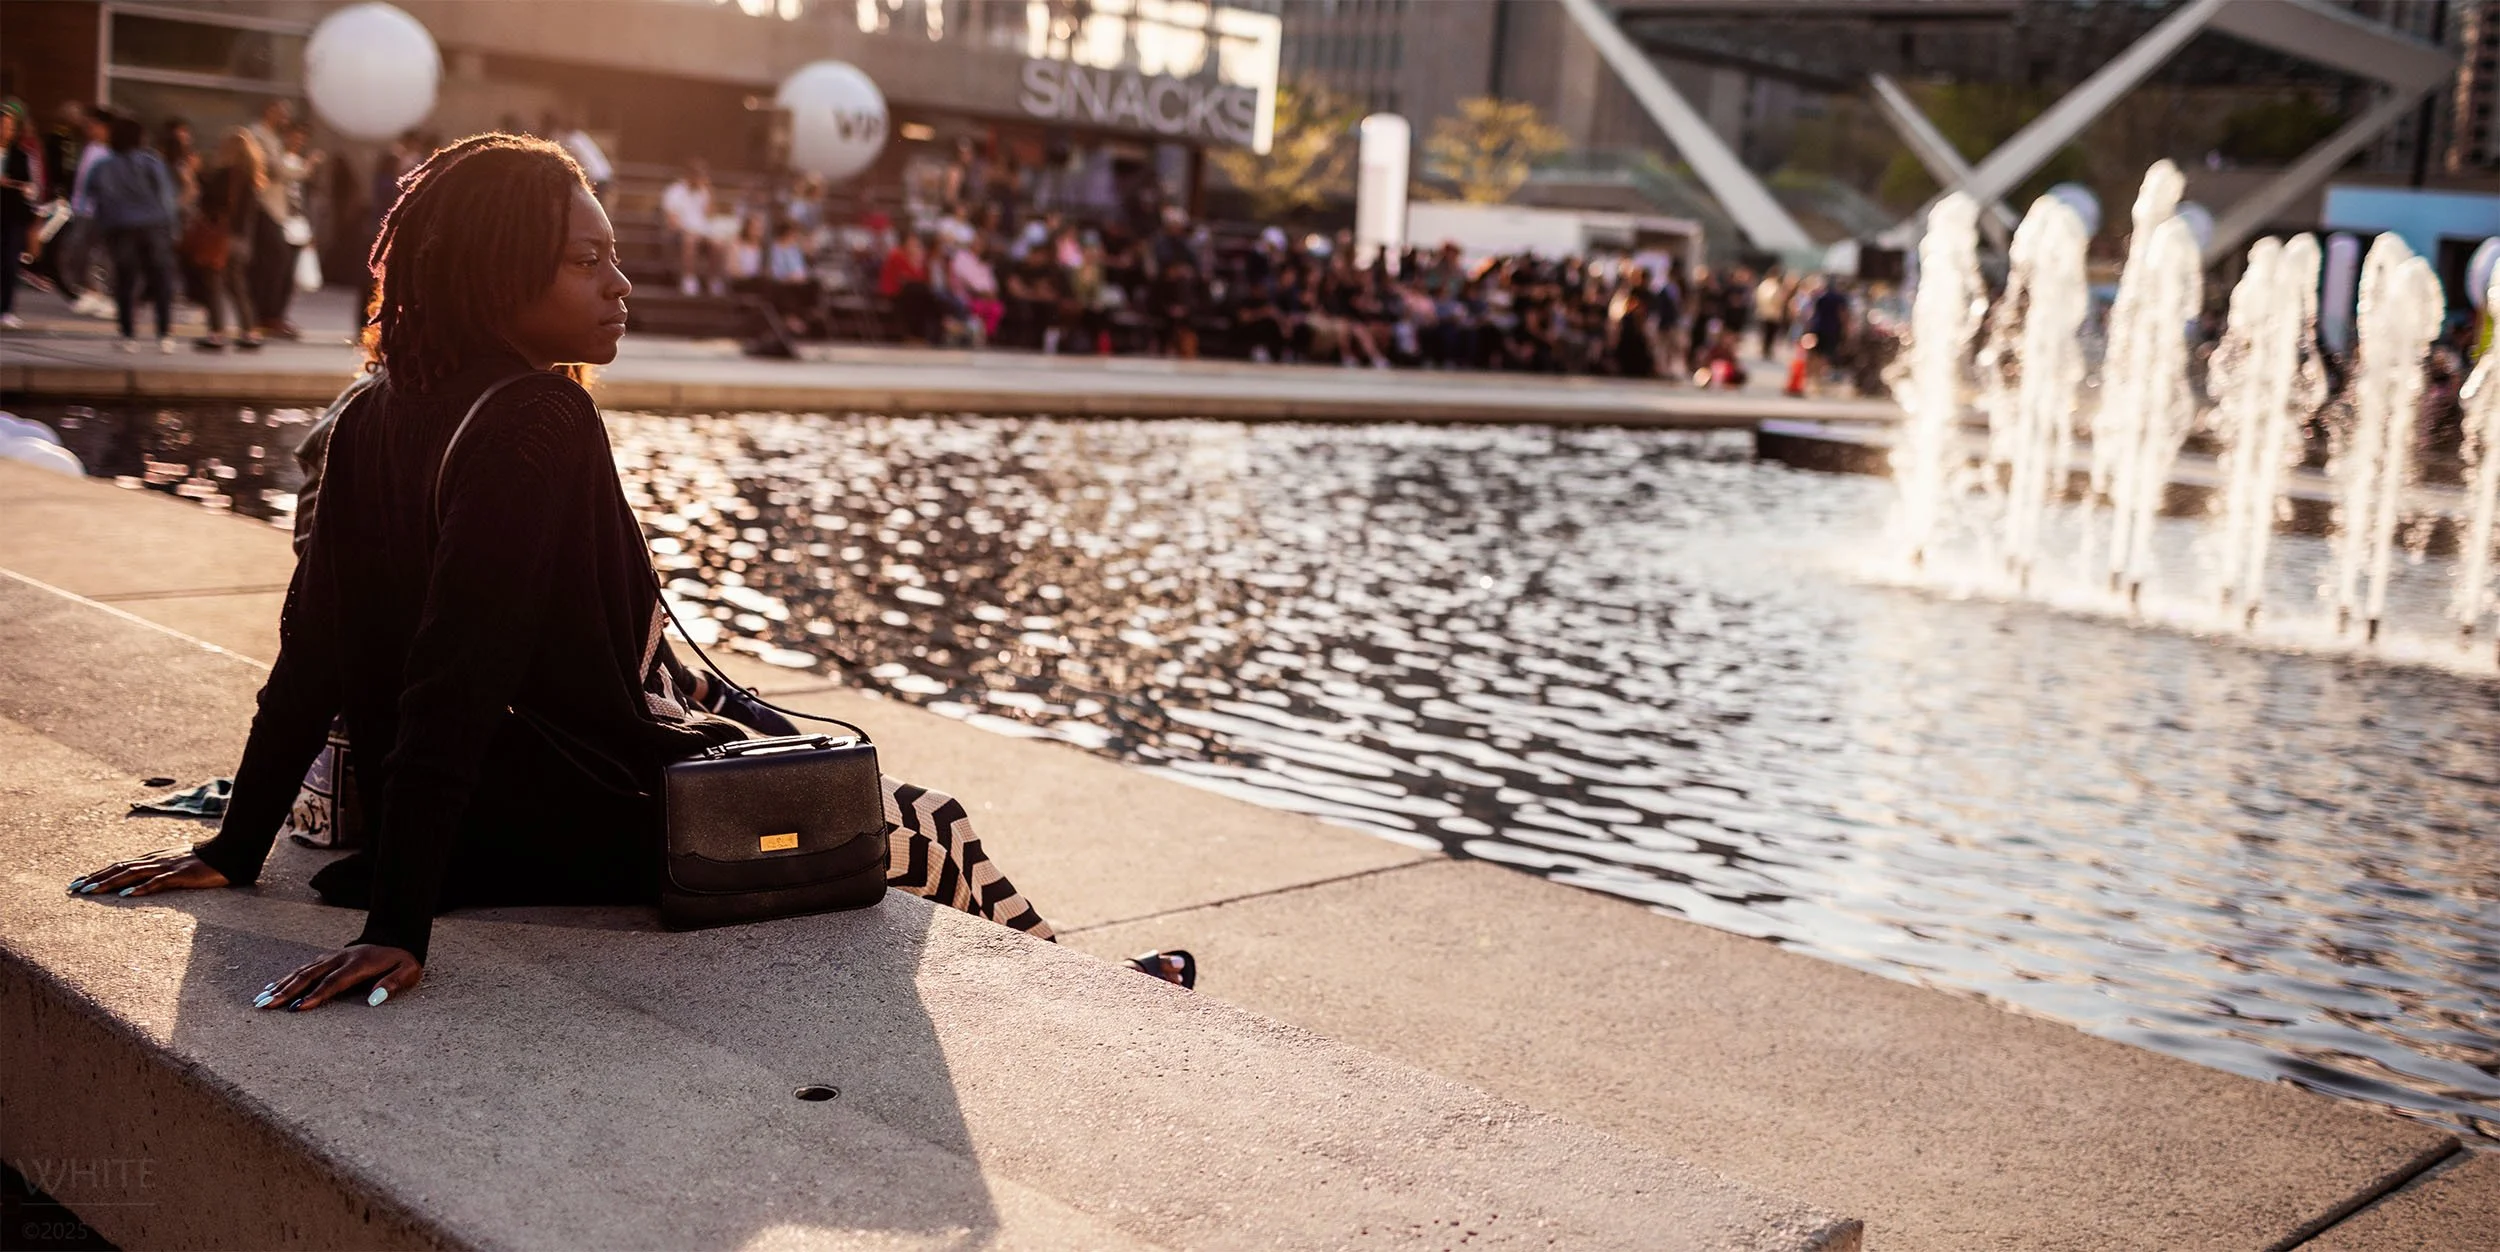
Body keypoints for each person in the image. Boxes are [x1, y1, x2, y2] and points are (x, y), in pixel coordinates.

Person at [66, 133, 1190, 1010]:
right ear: (501, 271)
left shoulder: (370, 411)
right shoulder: (536, 419)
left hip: (462, 817)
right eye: (586, 260)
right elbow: (456, 672)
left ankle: (1088, 978)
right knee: (924, 819)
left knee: (887, 807)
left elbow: (310, 657)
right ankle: (1102, 989)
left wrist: (238, 845)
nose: (620, 287)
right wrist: (398, 928)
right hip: (571, 812)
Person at [85, 112, 181, 353]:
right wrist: (172, 228)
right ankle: (164, 335)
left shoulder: (102, 166)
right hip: (154, 226)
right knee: (161, 281)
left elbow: (93, 196)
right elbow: (165, 196)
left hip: (120, 228)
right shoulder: (151, 161)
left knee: (126, 281)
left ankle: (128, 336)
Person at [190, 128, 266, 352]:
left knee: (213, 284)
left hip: (221, 238)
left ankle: (217, 333)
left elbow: (207, 202)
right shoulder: (253, 179)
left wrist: (196, 174)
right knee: (238, 286)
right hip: (242, 240)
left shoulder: (225, 175)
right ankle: (249, 331)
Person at [242, 99, 304, 339]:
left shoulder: (272, 137)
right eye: (282, 113)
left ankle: (270, 315)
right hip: (264, 206)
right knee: (273, 262)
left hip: (277, 210)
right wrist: (304, 168)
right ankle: (266, 315)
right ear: (270, 111)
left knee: (277, 263)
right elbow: (274, 168)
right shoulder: (258, 134)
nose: (285, 119)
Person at [0, 103, 43, 330]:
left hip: (13, 215)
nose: (4, 130)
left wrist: (16, 185)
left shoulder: (22, 156)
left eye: (8, 126)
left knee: (9, 262)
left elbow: (32, 188)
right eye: (1, 125)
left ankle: (6, 310)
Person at [659, 160, 715, 296]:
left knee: (718, 244)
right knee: (690, 240)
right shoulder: (674, 192)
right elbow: (672, 221)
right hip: (679, 232)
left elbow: (710, 216)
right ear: (689, 175)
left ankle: (714, 281)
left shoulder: (703, 192)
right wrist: (688, 231)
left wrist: (710, 192)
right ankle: (689, 279)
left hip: (701, 232)